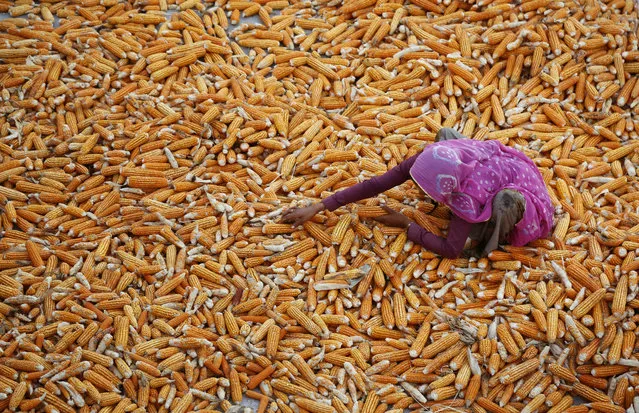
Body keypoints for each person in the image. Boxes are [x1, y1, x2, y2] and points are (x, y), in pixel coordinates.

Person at [281, 128, 554, 258]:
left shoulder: (466, 197)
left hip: (522, 194)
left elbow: (450, 250)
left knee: (504, 202)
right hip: (484, 168)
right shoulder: (428, 157)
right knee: (445, 134)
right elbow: (377, 184)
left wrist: (407, 225)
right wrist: (320, 206)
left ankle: (491, 242)